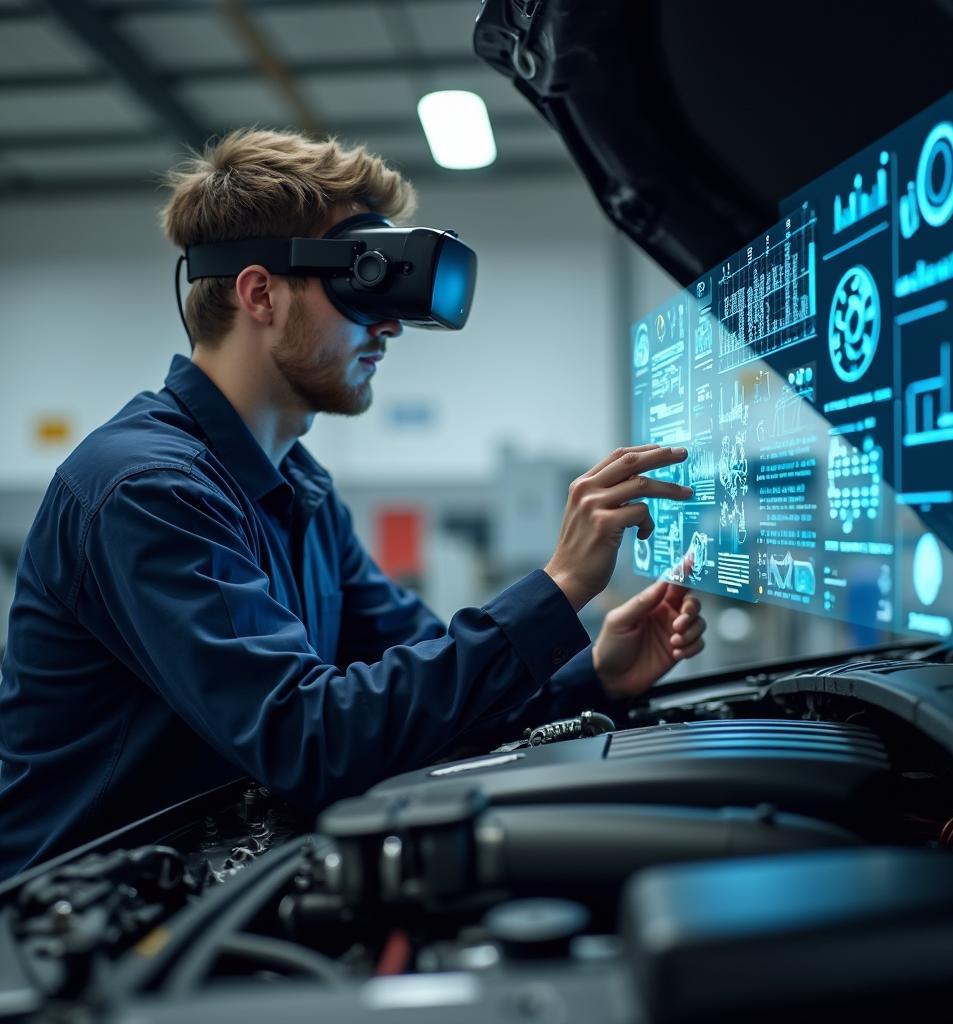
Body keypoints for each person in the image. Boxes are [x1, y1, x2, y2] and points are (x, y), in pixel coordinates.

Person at [0, 130, 705, 880]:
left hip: (207, 880)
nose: (391, 324)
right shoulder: (144, 489)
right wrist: (559, 586)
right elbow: (309, 740)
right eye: (362, 285)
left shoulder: (300, 489)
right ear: (260, 293)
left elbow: (416, 690)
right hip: (77, 940)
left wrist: (593, 673)